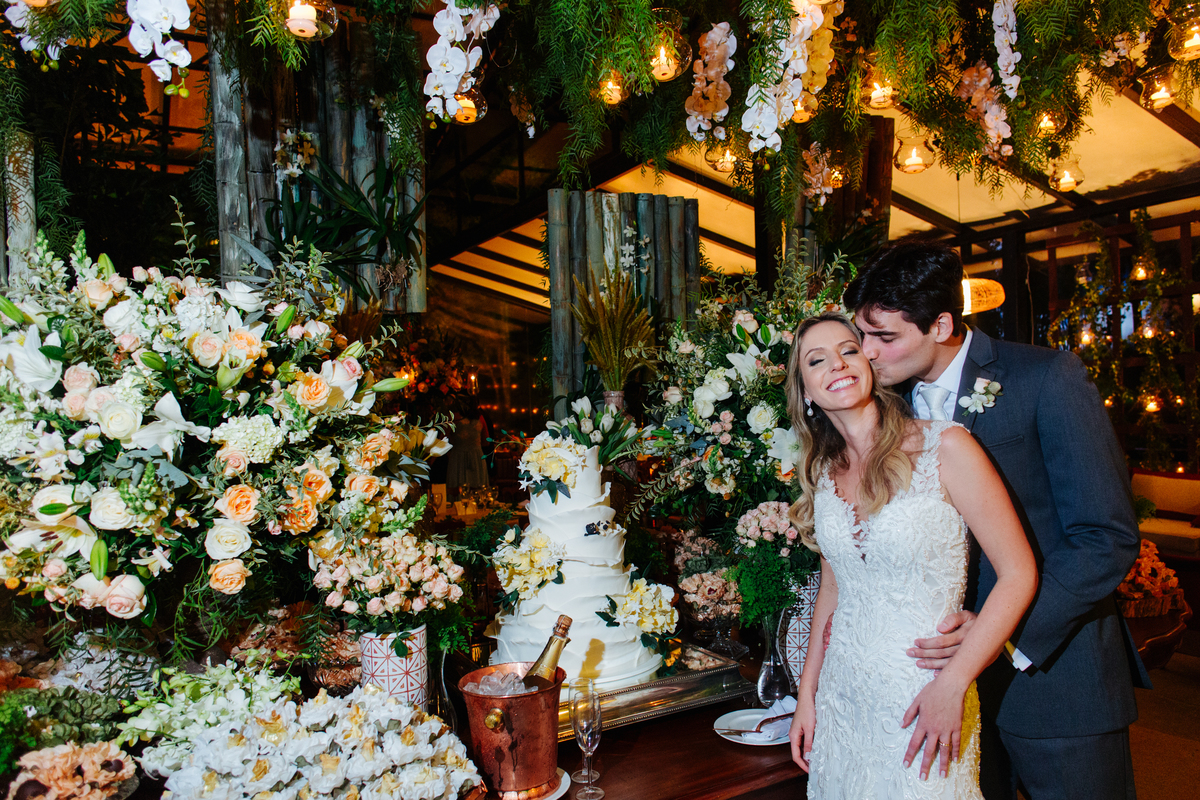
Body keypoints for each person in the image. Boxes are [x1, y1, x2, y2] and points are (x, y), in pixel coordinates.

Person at [843, 241, 1150, 800]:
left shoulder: (1047, 376)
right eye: (862, 335)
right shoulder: (886, 407)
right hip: (941, 687)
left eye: (884, 337)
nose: (867, 353)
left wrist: (996, 633)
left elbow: (1106, 536)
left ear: (940, 326)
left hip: (1055, 673)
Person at [786, 312, 1038, 799]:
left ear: (869, 363)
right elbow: (833, 589)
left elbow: (1018, 573)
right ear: (806, 391)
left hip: (926, 692)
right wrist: (807, 695)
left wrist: (954, 683)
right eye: (817, 360)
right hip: (843, 697)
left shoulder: (947, 446)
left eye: (849, 350)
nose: (837, 364)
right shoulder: (822, 473)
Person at [445, 402, 490, 499]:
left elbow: (443, 439)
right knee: (478, 488)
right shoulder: (480, 418)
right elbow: (486, 441)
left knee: (457, 488)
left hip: (458, 456)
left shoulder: (453, 417)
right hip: (477, 456)